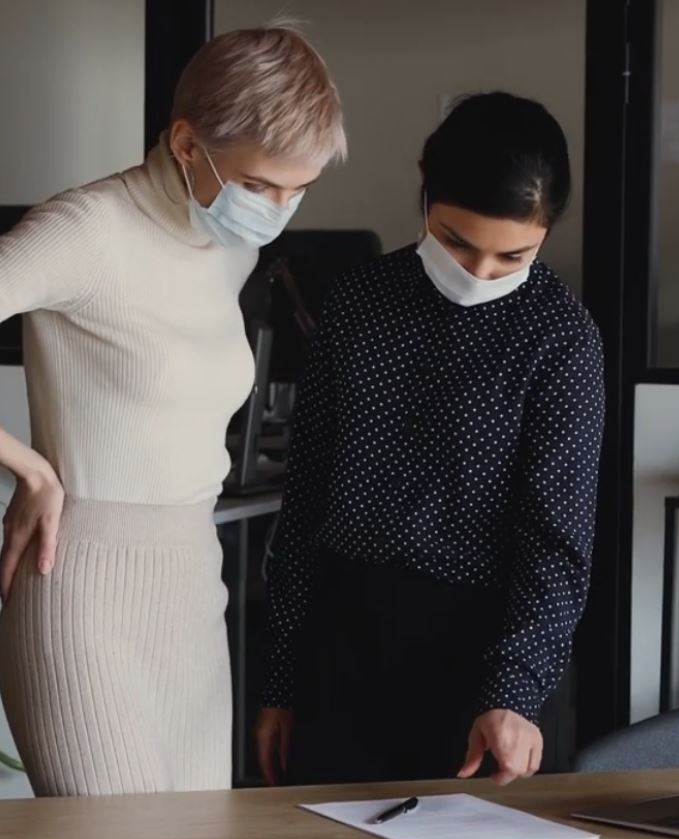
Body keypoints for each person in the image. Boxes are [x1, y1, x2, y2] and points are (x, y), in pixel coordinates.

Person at [0, 23, 345, 797]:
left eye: (296, 189)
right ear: (185, 143)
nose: (276, 209)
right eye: (258, 185)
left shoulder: (230, 249)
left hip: (189, 585)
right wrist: (28, 466)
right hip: (82, 593)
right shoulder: (85, 230)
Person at [256, 92, 604, 787]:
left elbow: (556, 545)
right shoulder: (358, 304)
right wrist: (282, 681)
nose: (478, 274)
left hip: (481, 658)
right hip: (343, 642)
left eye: (513, 256)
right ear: (424, 186)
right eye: (455, 241)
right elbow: (304, 507)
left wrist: (513, 691)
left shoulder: (561, 341)